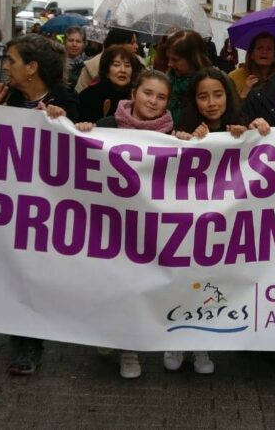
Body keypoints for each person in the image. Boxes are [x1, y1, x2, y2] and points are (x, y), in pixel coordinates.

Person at [75, 70, 215, 376]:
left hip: (149, 228)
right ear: (134, 94)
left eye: (161, 97)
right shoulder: (107, 127)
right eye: (147, 93)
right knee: (114, 285)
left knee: (137, 287)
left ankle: (130, 351)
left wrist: (190, 143)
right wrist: (85, 130)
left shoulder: (171, 136)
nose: (153, 101)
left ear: (168, 103)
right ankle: (110, 333)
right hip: (111, 222)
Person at [0, 33, 78, 375]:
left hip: (55, 206)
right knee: (19, 268)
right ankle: (26, 339)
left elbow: (90, 144)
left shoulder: (68, 100)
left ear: (31, 68)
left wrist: (64, 123)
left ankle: (35, 332)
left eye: (11, 61)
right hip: (14, 202)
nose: (5, 67)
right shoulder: (4, 99)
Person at [76, 43, 145, 122]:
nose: (123, 70)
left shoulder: (138, 96)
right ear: (106, 70)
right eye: (116, 65)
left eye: (127, 65)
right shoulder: (89, 96)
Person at [174, 67, 248, 139]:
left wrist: (245, 134)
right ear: (194, 100)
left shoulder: (243, 125)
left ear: (227, 96)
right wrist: (185, 139)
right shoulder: (186, 131)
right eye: (203, 97)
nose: (211, 103)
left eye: (218, 95)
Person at [163, 29, 212, 122]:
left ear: (192, 59)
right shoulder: (167, 81)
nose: (169, 64)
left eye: (175, 60)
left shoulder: (211, 83)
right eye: (168, 59)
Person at [76, 28, 138, 92]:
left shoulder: (139, 66)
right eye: (132, 42)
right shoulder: (91, 67)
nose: (136, 46)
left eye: (127, 65)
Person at [228, 32, 275, 99]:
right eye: (260, 48)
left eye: (269, 49)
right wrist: (244, 93)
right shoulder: (234, 77)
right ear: (252, 54)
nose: (264, 52)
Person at [64, 26, 87, 90]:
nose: (74, 44)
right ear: (65, 42)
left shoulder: (87, 65)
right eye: (71, 40)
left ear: (83, 44)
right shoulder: (56, 63)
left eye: (78, 41)